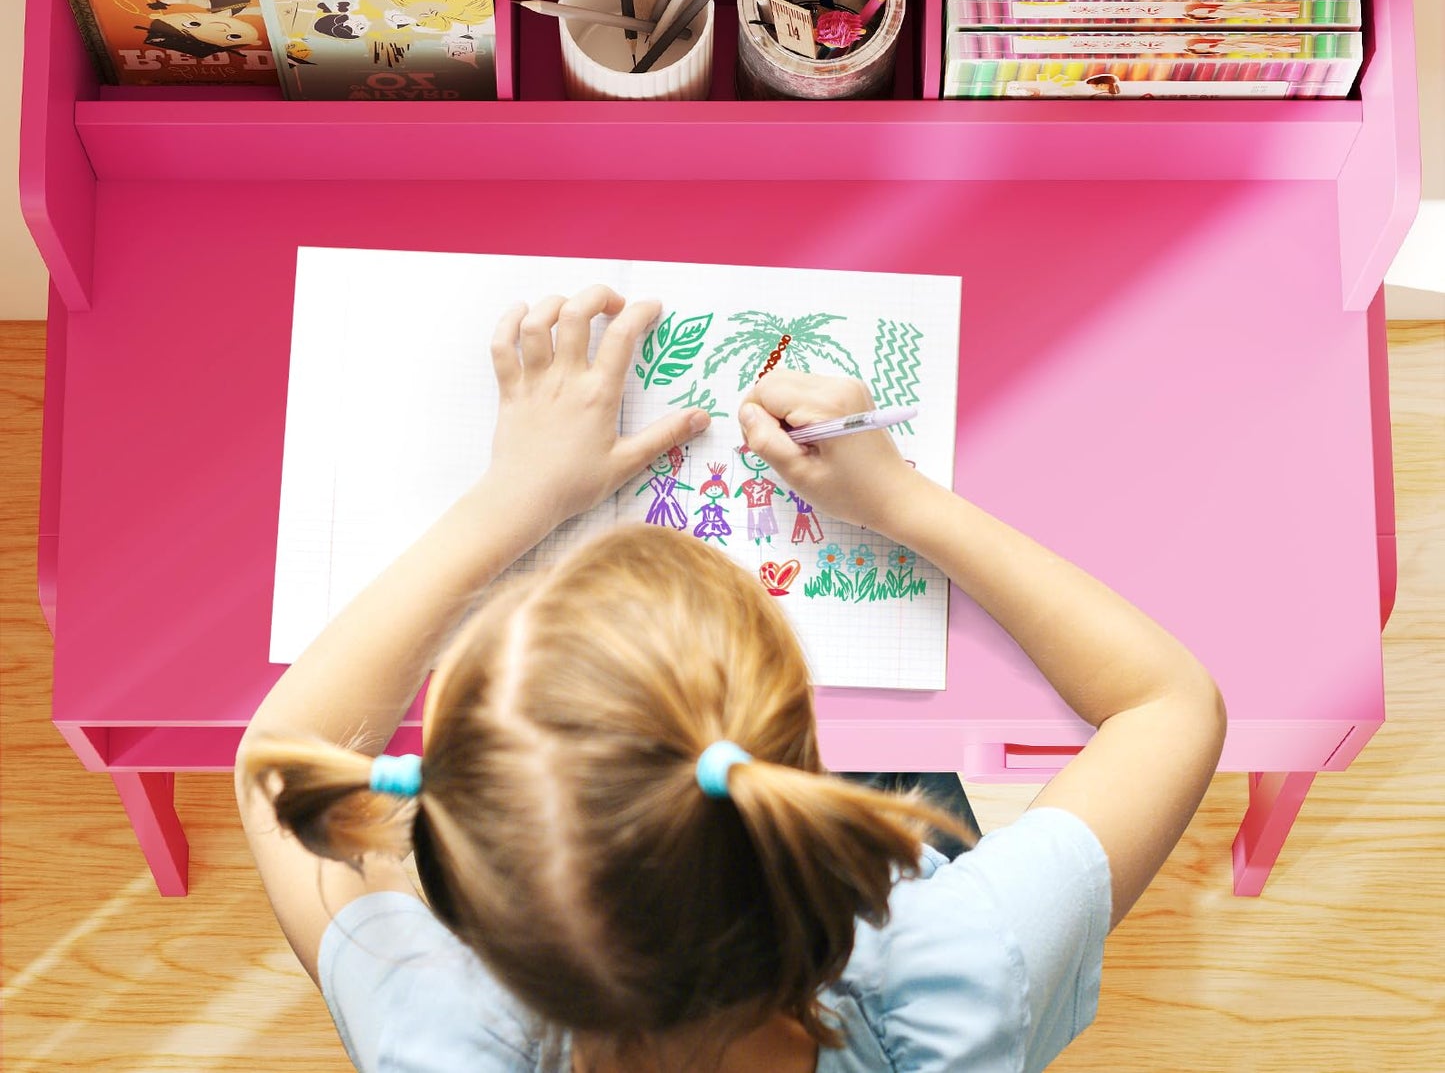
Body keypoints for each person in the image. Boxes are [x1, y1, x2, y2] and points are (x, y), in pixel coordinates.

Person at [237, 286, 1227, 1073]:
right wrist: (901, 496)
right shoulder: (954, 976)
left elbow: (281, 758)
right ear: (796, 760)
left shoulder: (437, 1033)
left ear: (454, 879)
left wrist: (510, 497)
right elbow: (1167, 703)